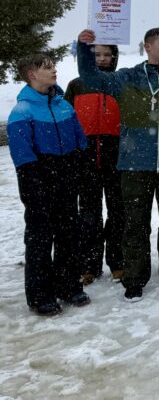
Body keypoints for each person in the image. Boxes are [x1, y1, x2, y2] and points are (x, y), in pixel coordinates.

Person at [75, 25, 159, 302]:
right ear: (147, 47)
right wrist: (85, 49)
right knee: (135, 224)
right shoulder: (128, 77)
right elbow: (91, 78)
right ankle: (134, 278)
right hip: (135, 164)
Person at [8, 55, 90, 316]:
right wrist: (35, 184)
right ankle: (40, 294)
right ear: (32, 74)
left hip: (66, 178)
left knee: (69, 234)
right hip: (39, 180)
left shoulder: (64, 105)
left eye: (53, 66)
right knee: (40, 239)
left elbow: (79, 138)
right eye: (47, 67)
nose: (54, 70)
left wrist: (79, 164)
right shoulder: (22, 110)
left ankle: (68, 285)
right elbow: (22, 154)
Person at [64, 43, 125, 285]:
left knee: (118, 213)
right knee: (89, 215)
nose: (101, 59)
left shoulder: (120, 84)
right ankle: (89, 265)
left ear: (114, 57)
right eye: (96, 54)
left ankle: (117, 262)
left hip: (116, 159)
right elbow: (67, 119)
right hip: (85, 159)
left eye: (106, 55)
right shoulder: (77, 85)